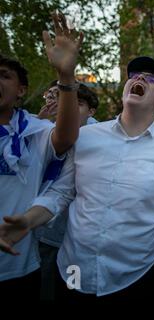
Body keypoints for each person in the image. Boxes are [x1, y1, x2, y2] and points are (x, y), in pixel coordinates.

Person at [0, 56, 154, 301]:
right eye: (134, 76)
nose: (139, 79)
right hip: (73, 274)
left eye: (150, 79)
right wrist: (28, 220)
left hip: (136, 276)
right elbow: (61, 193)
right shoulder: (85, 136)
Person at [0, 11, 83, 300]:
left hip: (20, 268)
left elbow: (66, 137)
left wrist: (66, 75)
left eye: (4, 76)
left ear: (21, 90)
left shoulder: (34, 132)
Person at [35, 81, 100, 300]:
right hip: (45, 237)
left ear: (90, 112)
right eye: (66, 103)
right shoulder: (43, 133)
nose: (70, 108)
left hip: (81, 243)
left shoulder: (102, 140)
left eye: (78, 103)